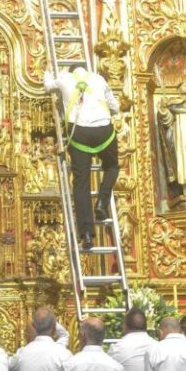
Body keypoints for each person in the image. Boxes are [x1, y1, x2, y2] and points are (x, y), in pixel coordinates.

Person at [43, 65, 119, 251]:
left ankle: (86, 234)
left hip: (79, 132)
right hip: (103, 131)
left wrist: (48, 71)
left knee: (81, 182)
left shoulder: (64, 78)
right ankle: (102, 201)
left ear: (71, 71)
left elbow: (47, 86)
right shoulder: (99, 79)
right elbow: (115, 107)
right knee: (112, 166)